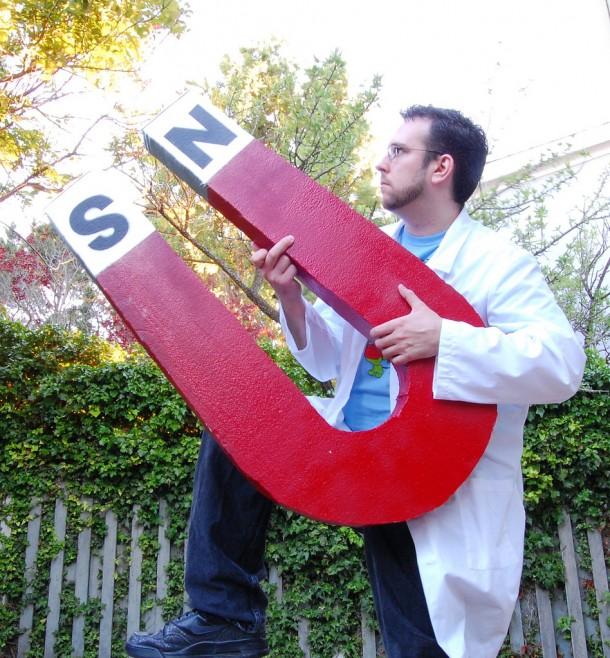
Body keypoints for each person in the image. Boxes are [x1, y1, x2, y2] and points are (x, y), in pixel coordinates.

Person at [126, 106, 585, 658]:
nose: (381, 164)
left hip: (431, 484)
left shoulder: (498, 263)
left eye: (398, 152)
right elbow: (328, 363)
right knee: (240, 425)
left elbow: (561, 365)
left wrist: (446, 338)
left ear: (441, 168)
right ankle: (224, 617)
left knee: (422, 647)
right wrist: (291, 298)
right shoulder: (366, 250)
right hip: (355, 450)